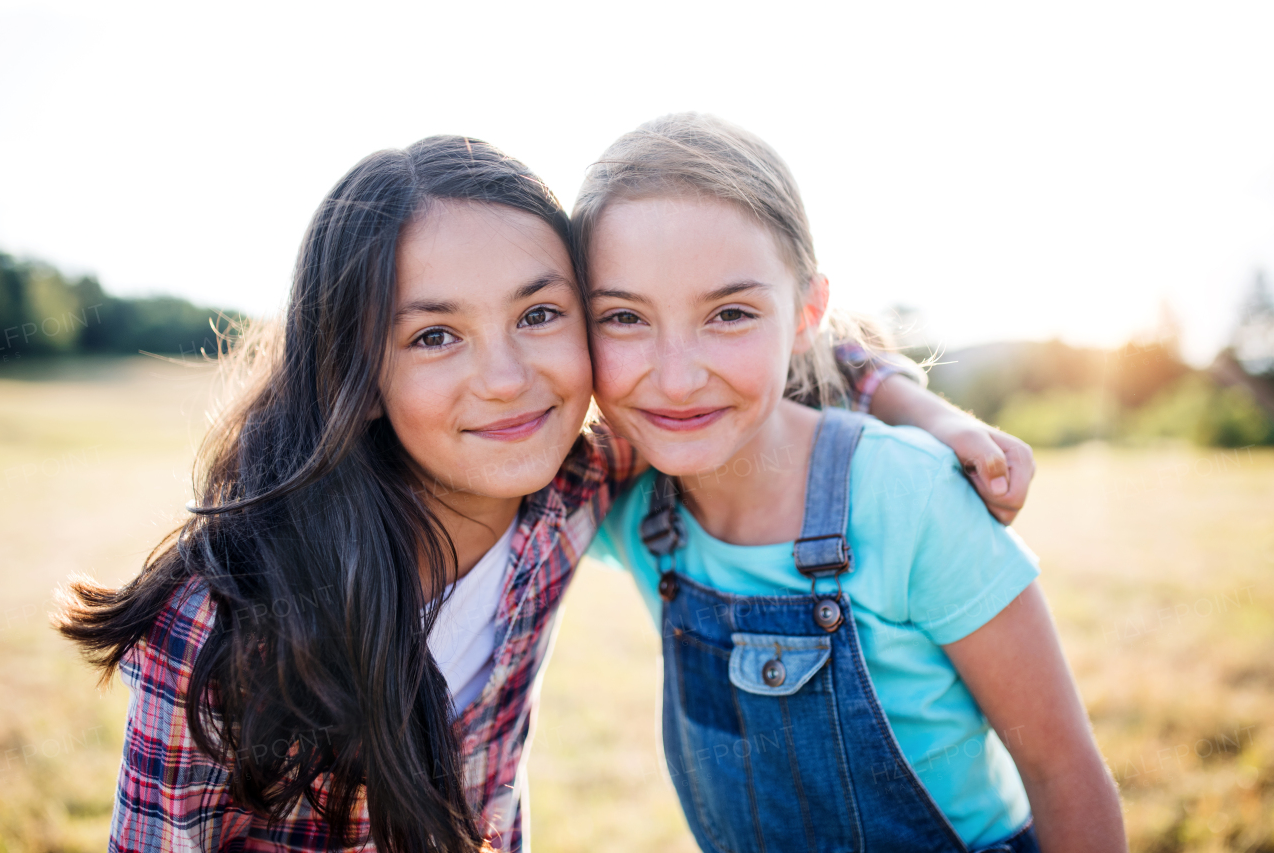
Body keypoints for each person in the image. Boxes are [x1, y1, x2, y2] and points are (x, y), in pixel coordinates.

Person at [56, 134, 1035, 852]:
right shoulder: (223, 623)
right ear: (353, 369)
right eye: (434, 333)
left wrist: (920, 407)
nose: (507, 377)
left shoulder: (568, 487)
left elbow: (751, 343)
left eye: (538, 313)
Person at [579, 114, 1126, 852]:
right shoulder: (627, 506)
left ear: (807, 311)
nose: (676, 377)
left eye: (731, 313)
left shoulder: (911, 494)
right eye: (623, 316)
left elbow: (1065, 775)